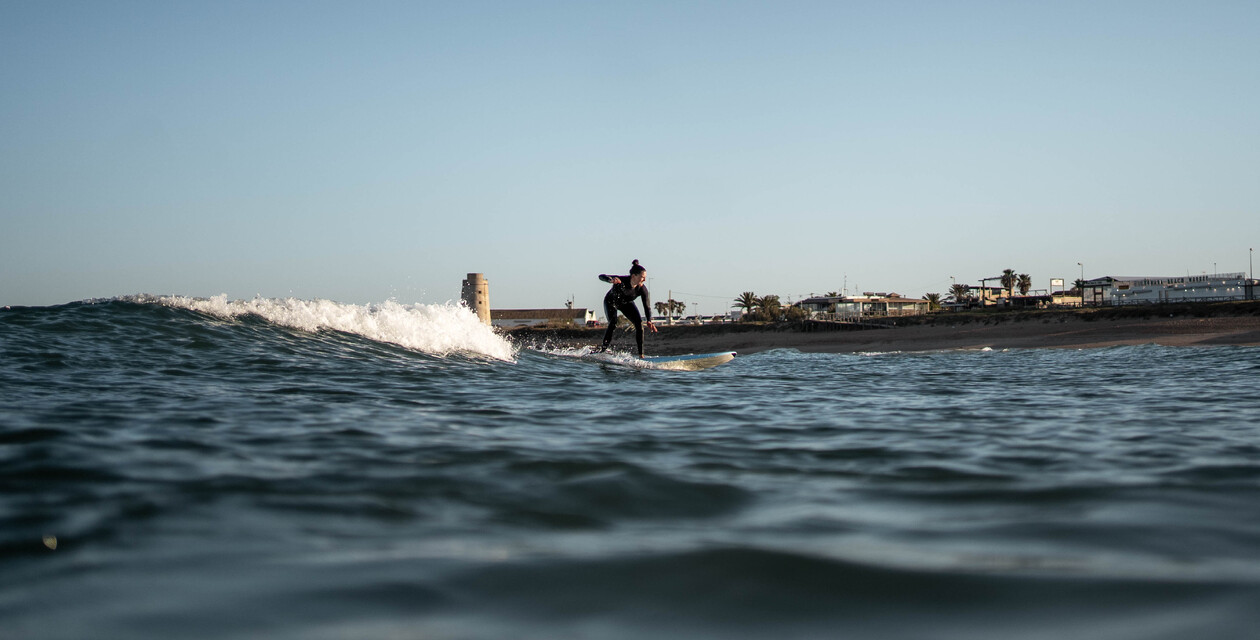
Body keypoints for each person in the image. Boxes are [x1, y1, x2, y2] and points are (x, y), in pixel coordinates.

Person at [595, 259, 657, 357]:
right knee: (613, 322)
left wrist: (649, 320)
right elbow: (601, 276)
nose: (644, 280)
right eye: (642, 277)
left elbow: (647, 306)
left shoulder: (642, 289)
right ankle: (602, 350)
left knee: (639, 324)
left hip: (626, 303)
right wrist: (610, 280)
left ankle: (641, 356)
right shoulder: (621, 281)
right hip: (611, 302)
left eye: (645, 278)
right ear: (633, 276)